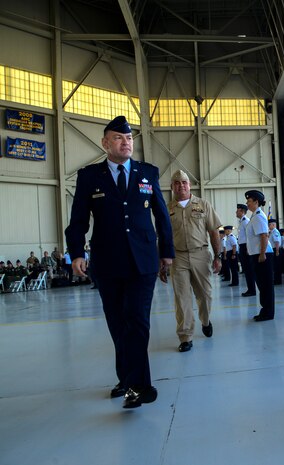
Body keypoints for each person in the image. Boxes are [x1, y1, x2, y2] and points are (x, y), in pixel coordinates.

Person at [65, 115, 174, 409]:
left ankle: (138, 386)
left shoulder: (147, 172)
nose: (126, 143)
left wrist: (167, 251)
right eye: (118, 138)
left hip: (144, 261)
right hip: (107, 261)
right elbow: (77, 219)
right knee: (117, 323)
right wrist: (76, 252)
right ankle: (126, 378)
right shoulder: (90, 176)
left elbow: (162, 215)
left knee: (137, 319)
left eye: (129, 139)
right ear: (105, 143)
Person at [167, 170, 222, 352]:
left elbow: (214, 231)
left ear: (189, 185)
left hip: (201, 254)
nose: (180, 185)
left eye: (184, 182)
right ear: (172, 187)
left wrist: (218, 256)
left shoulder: (203, 205)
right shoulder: (168, 209)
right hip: (178, 257)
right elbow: (163, 237)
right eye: (177, 183)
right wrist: (162, 262)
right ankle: (185, 337)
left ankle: (205, 321)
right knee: (181, 298)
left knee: (205, 295)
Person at [244, 190, 275, 321]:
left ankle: (268, 313)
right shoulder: (254, 216)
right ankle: (265, 310)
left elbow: (264, 236)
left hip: (262, 255)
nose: (247, 203)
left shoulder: (258, 216)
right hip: (257, 254)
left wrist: (262, 254)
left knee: (265, 285)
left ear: (256, 202)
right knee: (262, 285)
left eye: (249, 201)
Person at [236, 203, 256, 297]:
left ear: (242, 211)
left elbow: (249, 236)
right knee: (246, 269)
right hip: (242, 247)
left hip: (246, 247)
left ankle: (252, 290)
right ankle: (250, 289)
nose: (236, 212)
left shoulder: (245, 221)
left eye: (237, 210)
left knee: (249, 270)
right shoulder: (241, 222)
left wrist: (248, 248)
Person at [268, 219, 283, 285]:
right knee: (274, 265)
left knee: (277, 266)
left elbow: (277, 242)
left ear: (273, 225)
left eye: (269, 225)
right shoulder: (271, 232)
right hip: (273, 249)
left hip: (275, 249)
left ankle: (278, 280)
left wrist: (277, 251)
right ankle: (276, 279)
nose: (268, 226)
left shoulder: (275, 232)